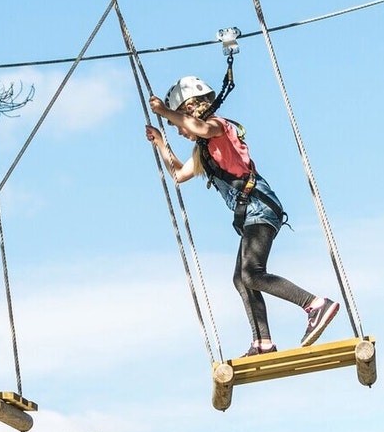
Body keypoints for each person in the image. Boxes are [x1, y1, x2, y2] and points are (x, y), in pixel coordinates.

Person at [145, 75, 341, 357]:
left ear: (189, 109)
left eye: (178, 124)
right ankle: (262, 342)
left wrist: (164, 112)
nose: (179, 131)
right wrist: (161, 142)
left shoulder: (217, 127)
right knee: (241, 278)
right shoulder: (204, 150)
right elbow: (179, 174)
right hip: (252, 214)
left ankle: (314, 304)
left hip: (260, 208)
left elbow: (198, 127)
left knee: (251, 273)